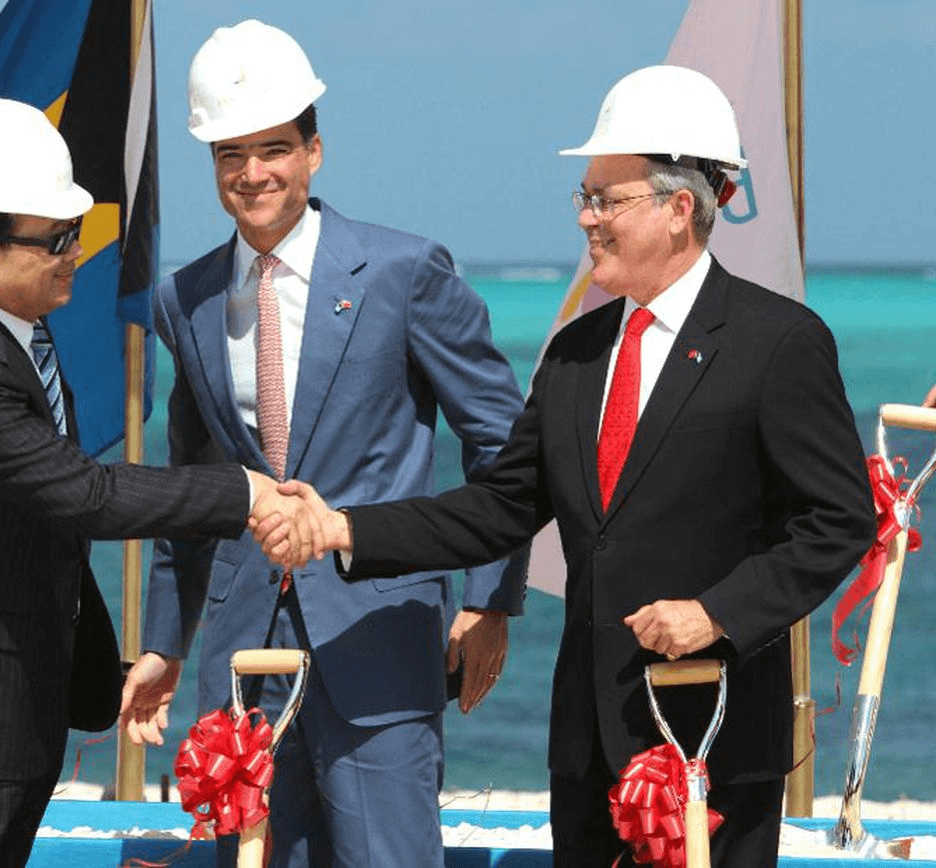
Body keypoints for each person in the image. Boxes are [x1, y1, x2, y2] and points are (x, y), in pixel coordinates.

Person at [274, 66, 875, 868]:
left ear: (679, 208)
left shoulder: (778, 343)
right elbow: (496, 508)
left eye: (605, 199)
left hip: (710, 744)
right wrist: (343, 528)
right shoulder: (577, 354)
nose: (587, 220)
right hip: (586, 753)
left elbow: (838, 521)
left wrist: (718, 612)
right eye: (583, 199)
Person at [0, 98, 319, 867]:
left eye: (76, 233)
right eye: (56, 239)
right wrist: (245, 492)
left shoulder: (12, 324)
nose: (74, 252)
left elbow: (37, 533)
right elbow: (83, 496)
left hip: (2, 718)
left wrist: (110, 675)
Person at [118, 19, 527, 868]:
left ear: (315, 152)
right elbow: (190, 487)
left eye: (273, 148)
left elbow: (503, 444)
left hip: (379, 640)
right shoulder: (183, 300)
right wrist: (164, 641)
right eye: (232, 154)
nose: (253, 172)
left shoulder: (405, 273)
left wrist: (491, 601)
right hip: (240, 664)